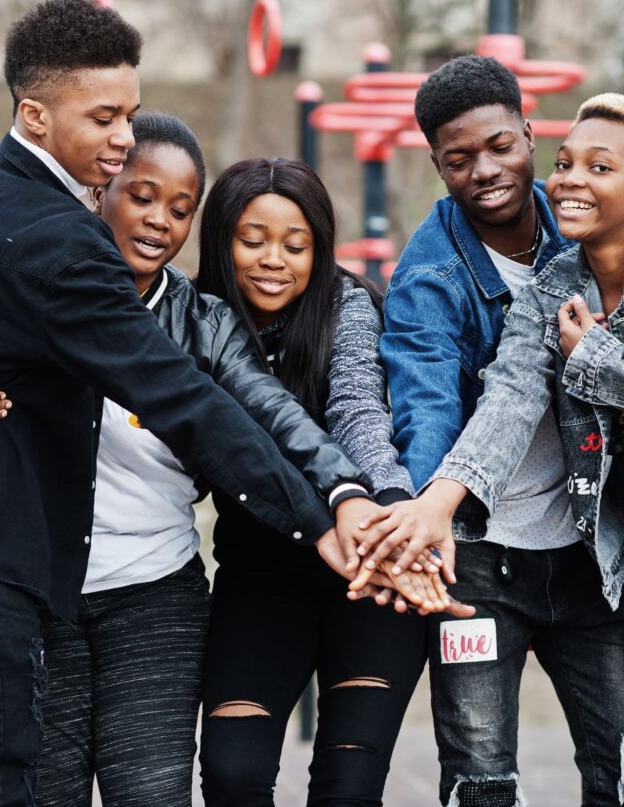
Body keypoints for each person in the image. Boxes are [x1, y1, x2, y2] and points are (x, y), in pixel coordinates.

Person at [0, 0, 390, 804]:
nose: (124, 136)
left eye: (129, 114)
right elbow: (182, 399)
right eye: (104, 118)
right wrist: (317, 520)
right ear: (34, 112)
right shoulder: (69, 248)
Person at [367, 90, 624, 804]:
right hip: (588, 567)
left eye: (597, 166)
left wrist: (601, 362)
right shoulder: (545, 284)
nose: (569, 180)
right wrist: (434, 502)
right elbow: (505, 398)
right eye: (566, 162)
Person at [194, 157, 465, 807]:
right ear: (221, 240)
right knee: (232, 776)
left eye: (296, 244)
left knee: (349, 786)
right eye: (252, 239)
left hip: (369, 570)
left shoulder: (348, 304)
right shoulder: (194, 321)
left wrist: (396, 510)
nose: (273, 259)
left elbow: (358, 413)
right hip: (259, 574)